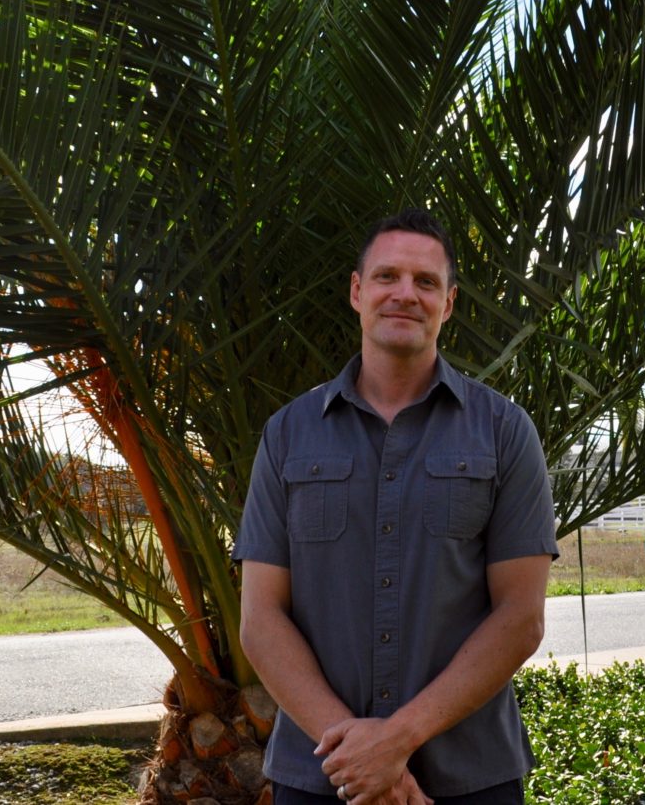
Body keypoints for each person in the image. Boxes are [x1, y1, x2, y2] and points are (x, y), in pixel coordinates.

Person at [234, 208, 558, 804]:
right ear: (358, 292)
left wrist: (394, 743)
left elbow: (520, 617)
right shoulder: (288, 434)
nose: (404, 294)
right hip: (318, 777)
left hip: (470, 780)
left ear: (449, 302)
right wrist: (356, 755)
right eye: (387, 277)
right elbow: (260, 620)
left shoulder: (505, 432)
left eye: (426, 281)